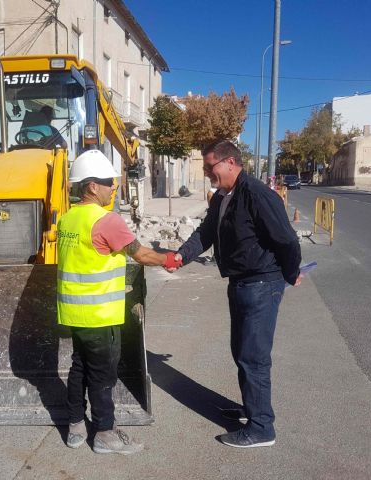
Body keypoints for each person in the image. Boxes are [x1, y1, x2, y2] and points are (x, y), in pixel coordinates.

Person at [171, 139, 301, 448]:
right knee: (241, 352)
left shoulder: (257, 194)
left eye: (209, 166)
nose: (206, 173)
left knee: (253, 357)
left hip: (260, 284)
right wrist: (181, 256)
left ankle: (261, 428)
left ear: (231, 162)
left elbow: (287, 240)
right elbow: (205, 232)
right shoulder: (221, 197)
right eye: (205, 167)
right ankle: (251, 409)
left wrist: (291, 274)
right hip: (240, 283)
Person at [57, 149, 182, 455]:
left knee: (79, 367)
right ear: (91, 186)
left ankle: (74, 426)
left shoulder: (67, 219)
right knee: (102, 376)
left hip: (74, 313)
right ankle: (104, 433)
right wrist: (171, 259)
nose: (114, 188)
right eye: (109, 183)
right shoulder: (106, 221)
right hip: (100, 315)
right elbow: (141, 255)